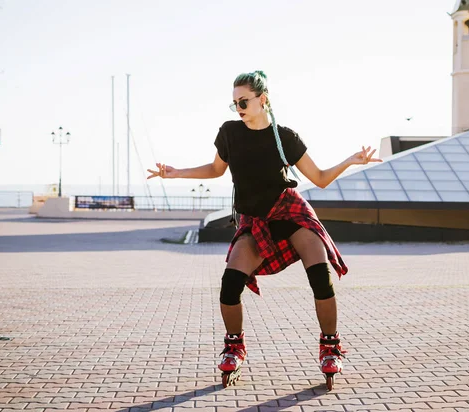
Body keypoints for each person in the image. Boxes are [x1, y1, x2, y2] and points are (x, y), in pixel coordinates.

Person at [147, 70, 381, 389]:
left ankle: (330, 346)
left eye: (243, 101)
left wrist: (350, 161)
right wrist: (176, 174)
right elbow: (216, 169)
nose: (238, 107)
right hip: (254, 219)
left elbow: (321, 178)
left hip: (289, 212)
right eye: (234, 103)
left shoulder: (285, 136)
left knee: (321, 276)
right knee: (230, 284)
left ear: (263, 100)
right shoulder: (230, 133)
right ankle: (234, 345)